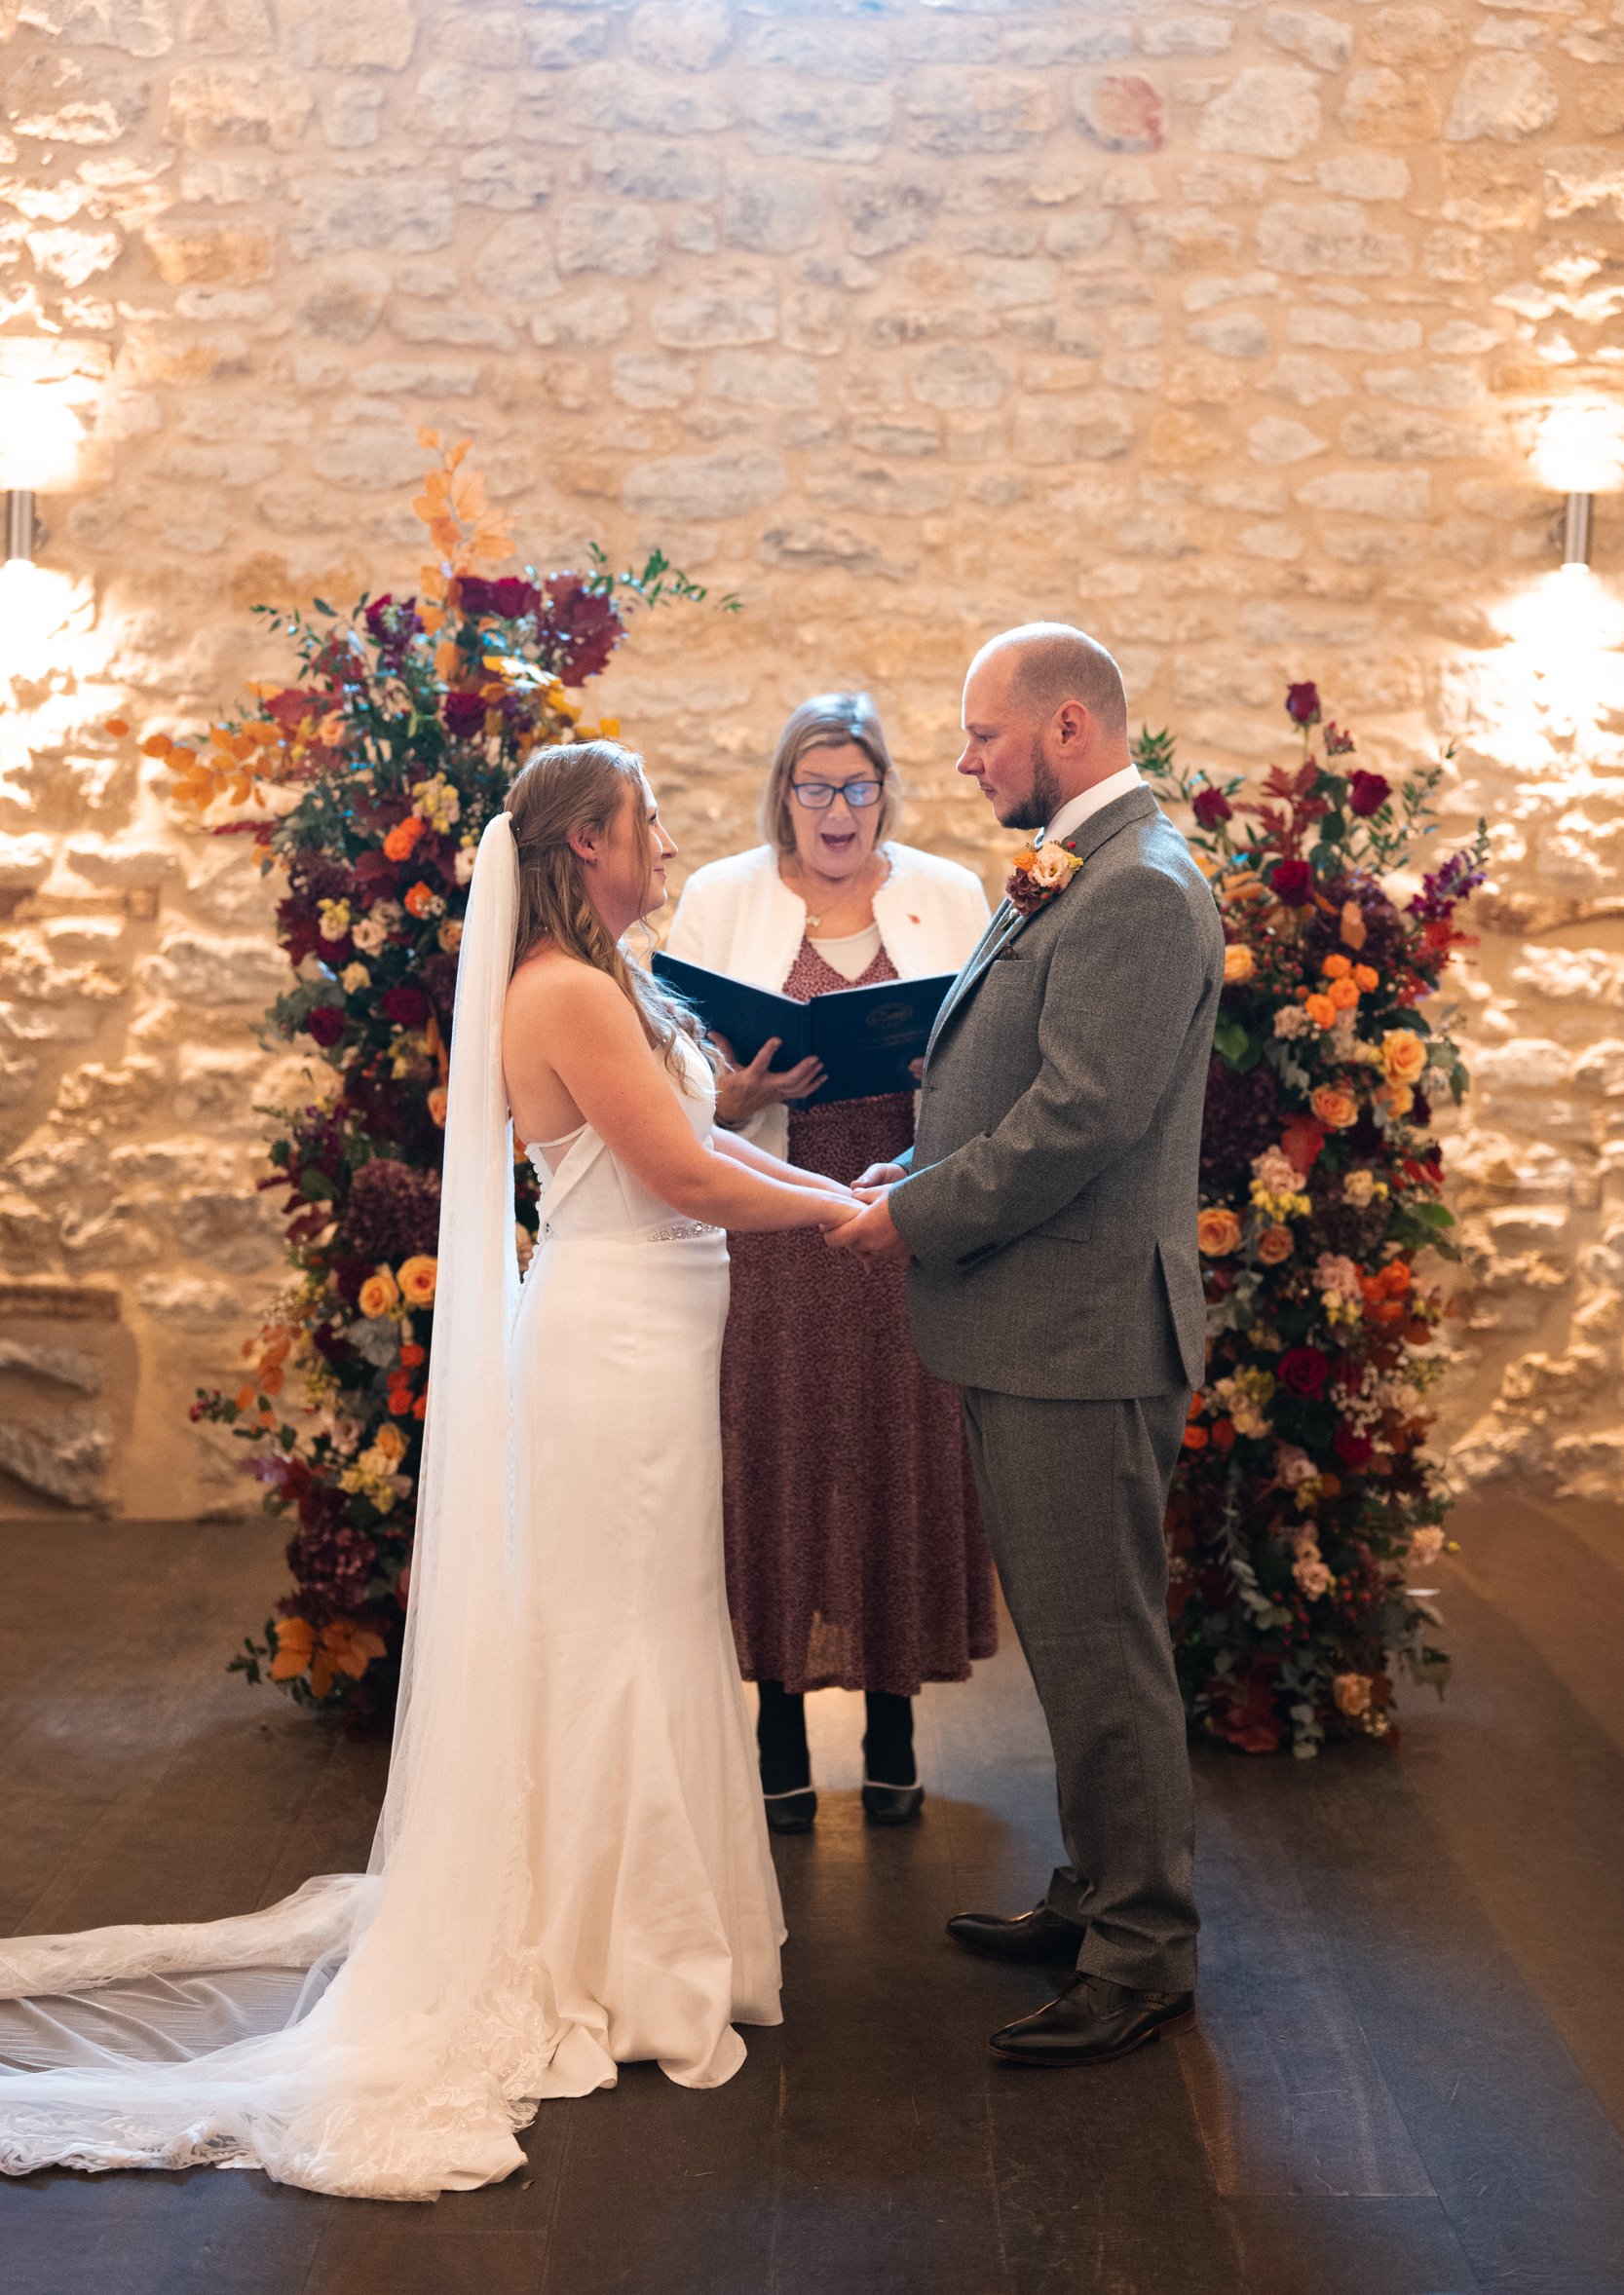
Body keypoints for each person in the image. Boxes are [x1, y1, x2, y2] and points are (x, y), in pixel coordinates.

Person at [0, 741, 859, 2199]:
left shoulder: (612, 979)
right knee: (618, 1636)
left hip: (650, 1340)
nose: (663, 840)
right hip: (611, 1354)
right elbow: (677, 1174)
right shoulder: (567, 992)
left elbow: (701, 1137)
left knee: (647, 1624)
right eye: (645, 823)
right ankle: (617, 1960)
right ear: (586, 845)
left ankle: (641, 1931)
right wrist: (843, 1217)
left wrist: (827, 1182)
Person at [834, 624, 1224, 2069]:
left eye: (979, 735)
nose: (960, 760)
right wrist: (911, 1170)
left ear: (1067, 729)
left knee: (1099, 1646)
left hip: (1077, 1331)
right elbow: (1016, 1077)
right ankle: (1095, 1886)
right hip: (1034, 1323)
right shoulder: (1088, 864)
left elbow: (1079, 1121)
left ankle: (1141, 1948)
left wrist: (918, 1215)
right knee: (1070, 1645)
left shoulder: (1134, 888)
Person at [666, 694, 995, 1831]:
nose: (837, 809)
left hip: (905, 1221)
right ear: (783, 797)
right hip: (773, 1229)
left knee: (898, 1456)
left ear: (885, 793)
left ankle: (897, 1732)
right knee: (779, 1462)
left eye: (857, 786)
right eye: (814, 787)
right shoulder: (720, 897)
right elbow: (668, 1082)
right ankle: (776, 1737)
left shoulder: (948, 896)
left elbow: (993, 1061)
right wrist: (739, 1091)